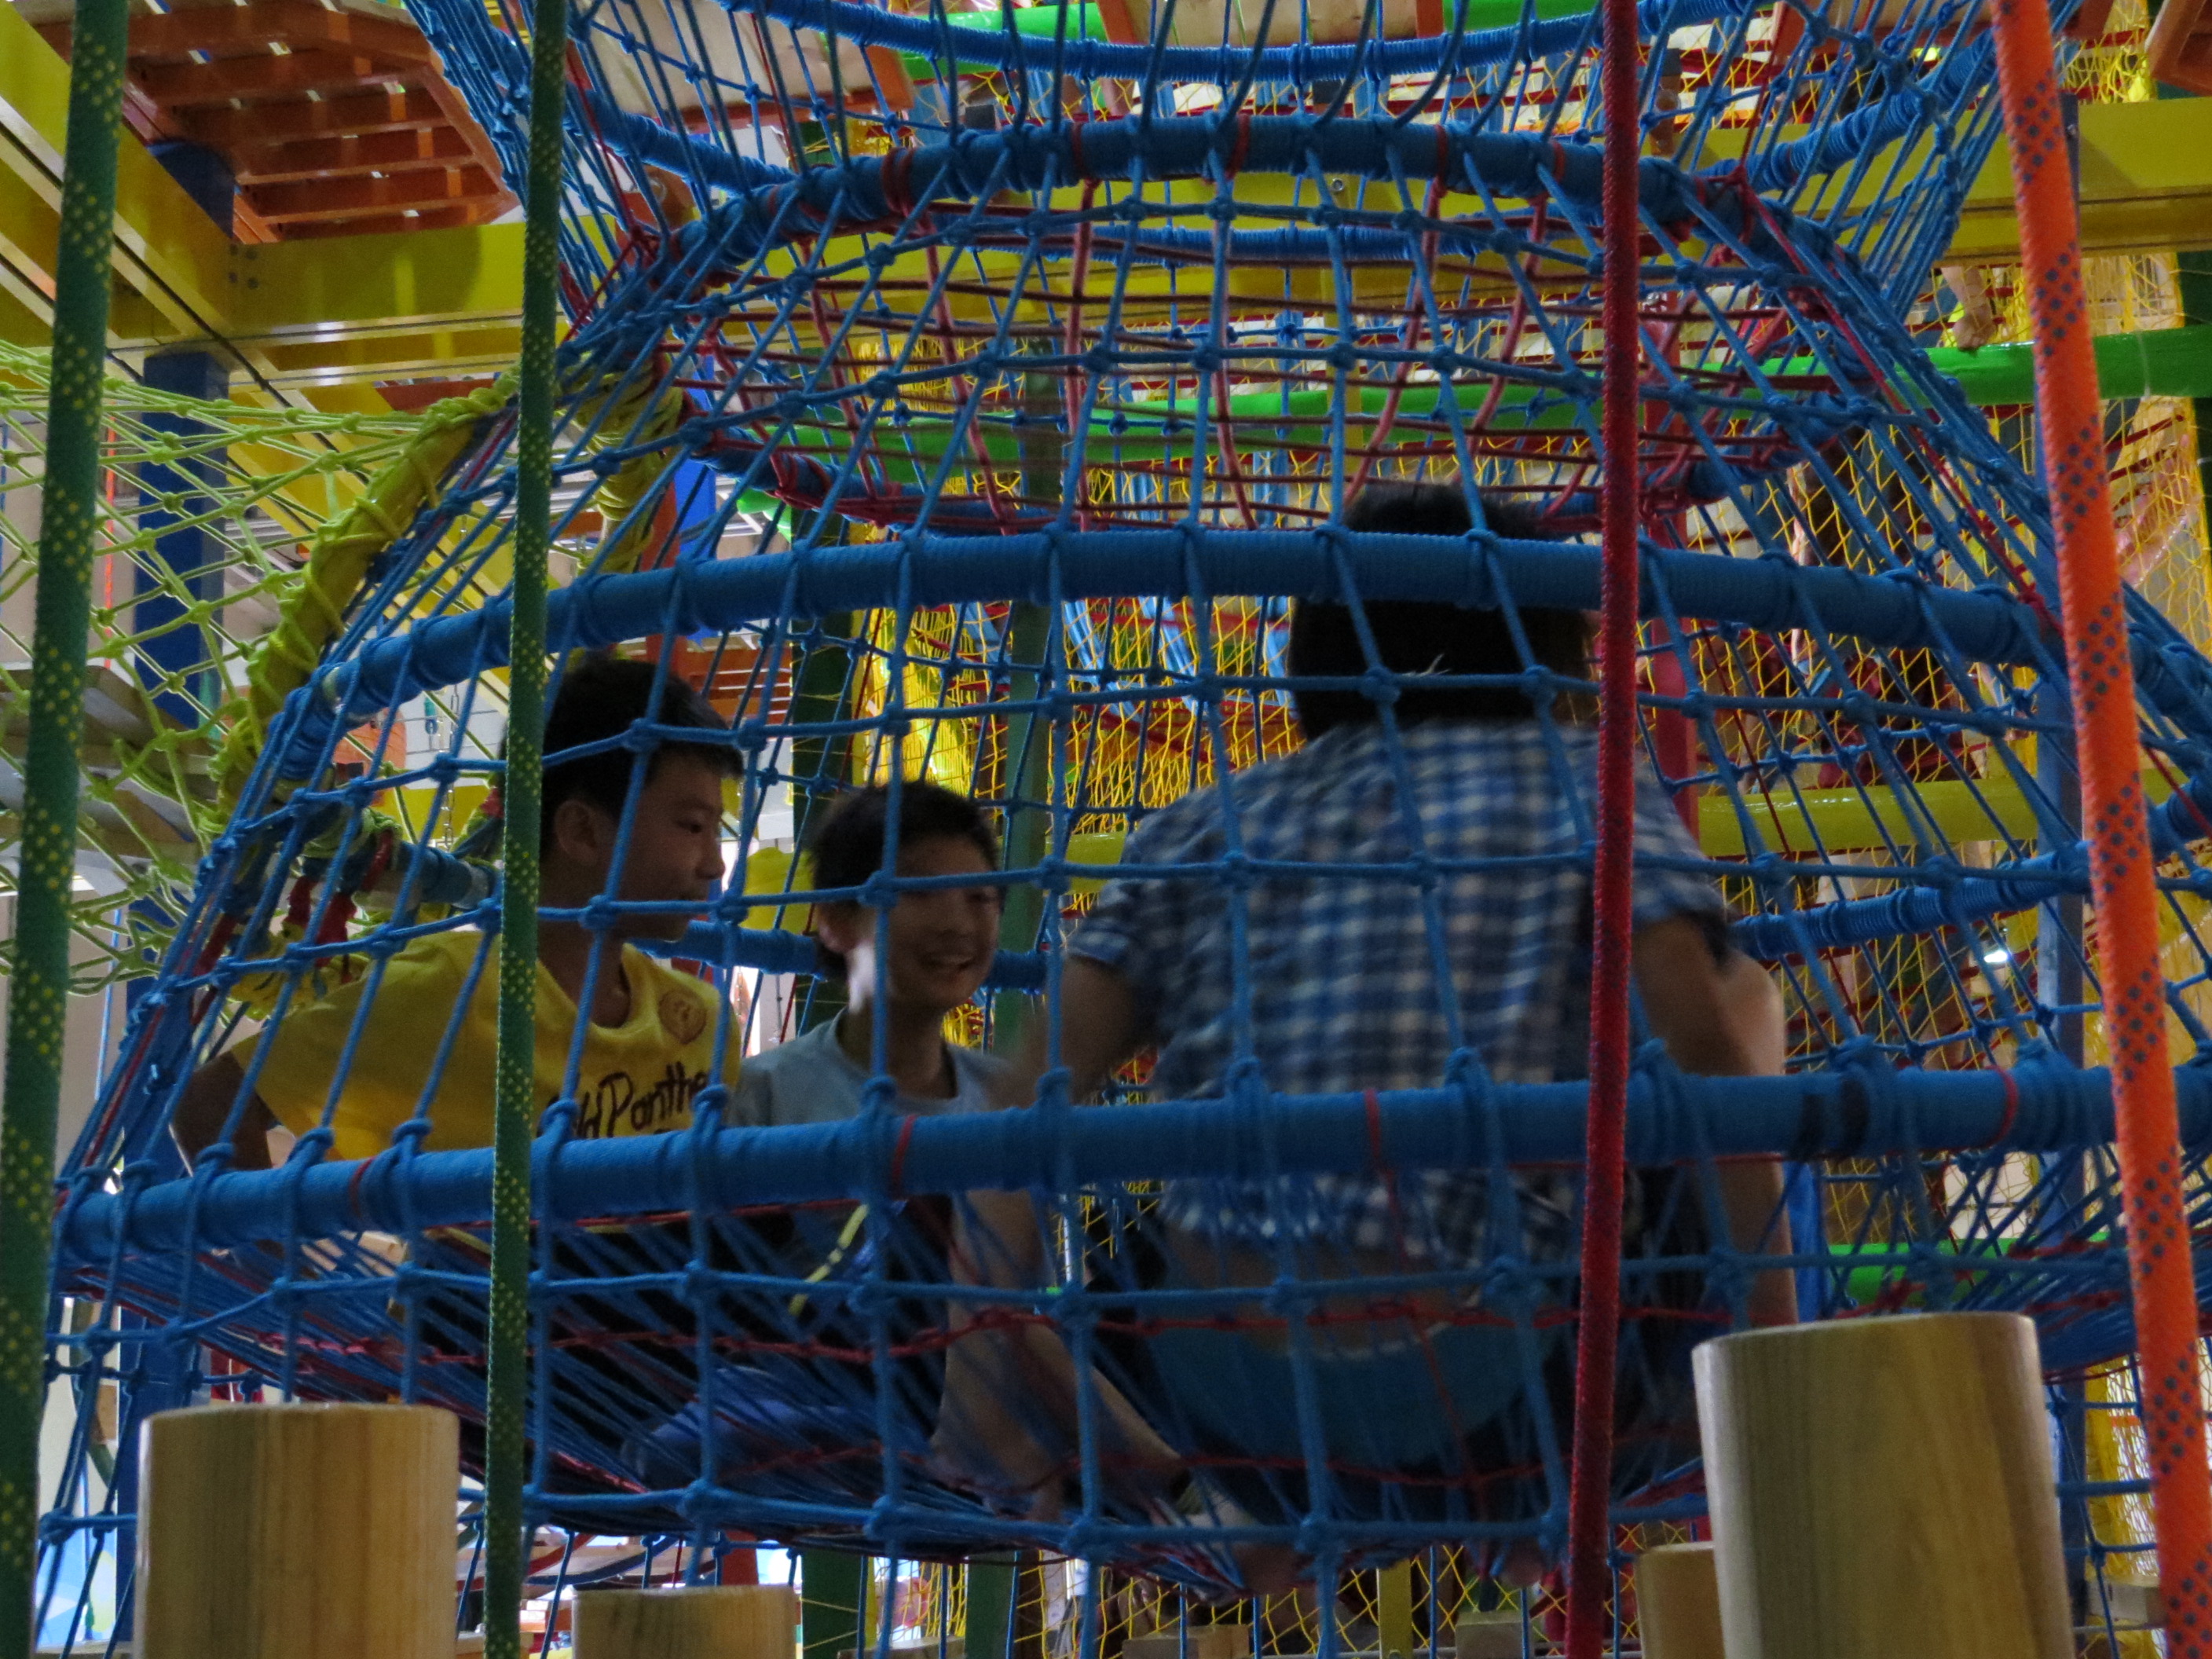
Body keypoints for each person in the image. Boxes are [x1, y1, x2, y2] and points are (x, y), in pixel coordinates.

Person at [935, 482, 1794, 1575]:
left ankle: (1209, 1502)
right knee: (1740, 998)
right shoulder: (1585, 785)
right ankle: (1540, 1517)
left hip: (1221, 1398)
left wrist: (984, 1392)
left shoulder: (1200, 827)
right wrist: (1775, 1360)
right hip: (1498, 1399)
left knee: (1138, 1206)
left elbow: (1015, 1110)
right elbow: (1712, 1054)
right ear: (1546, 649)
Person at [171, 653, 740, 1170]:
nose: (714, 864)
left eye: (716, 830)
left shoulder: (699, 1022)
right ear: (582, 832)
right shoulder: (449, 992)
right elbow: (211, 1102)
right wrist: (275, 1249)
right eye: (693, 827)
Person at [734, 780, 1012, 1125]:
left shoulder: (1010, 1097)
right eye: (920, 893)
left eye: (979, 897)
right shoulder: (762, 1096)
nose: (958, 925)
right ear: (836, 922)